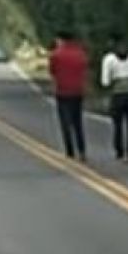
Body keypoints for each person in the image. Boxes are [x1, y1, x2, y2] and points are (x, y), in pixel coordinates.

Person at [48, 31, 89, 161]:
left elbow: (52, 71)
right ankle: (82, 150)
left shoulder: (56, 55)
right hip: (78, 91)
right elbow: (85, 68)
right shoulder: (81, 53)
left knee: (65, 123)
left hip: (63, 91)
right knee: (78, 123)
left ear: (61, 40)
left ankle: (70, 151)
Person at [101, 38, 128, 163]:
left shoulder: (109, 59)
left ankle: (119, 151)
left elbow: (105, 81)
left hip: (117, 93)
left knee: (117, 125)